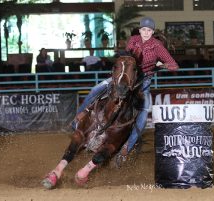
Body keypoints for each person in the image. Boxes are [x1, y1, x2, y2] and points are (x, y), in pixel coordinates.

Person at [73, 16, 179, 159]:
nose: (146, 32)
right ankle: (78, 120)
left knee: (143, 117)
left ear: (152, 32)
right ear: (140, 30)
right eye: (143, 29)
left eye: (149, 30)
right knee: (95, 90)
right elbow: (127, 58)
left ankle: (127, 148)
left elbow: (174, 65)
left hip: (143, 84)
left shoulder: (158, 47)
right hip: (125, 77)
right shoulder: (133, 40)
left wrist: (161, 64)